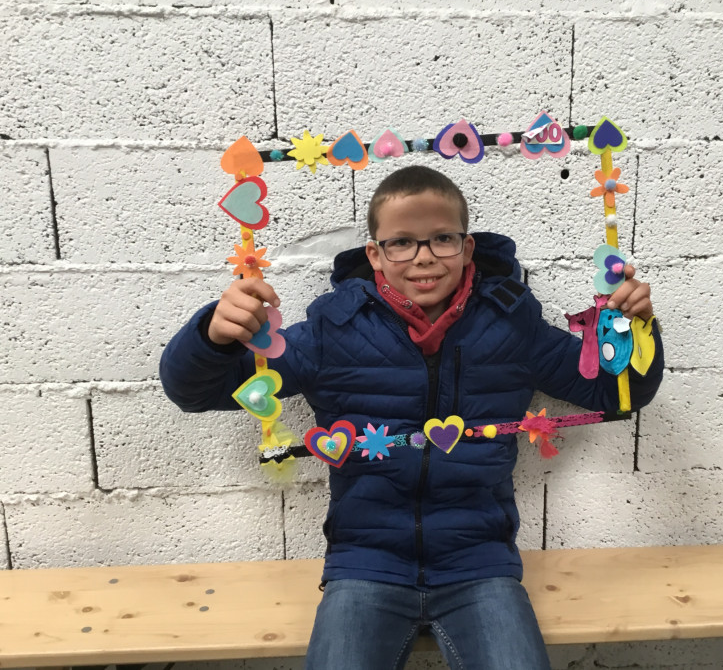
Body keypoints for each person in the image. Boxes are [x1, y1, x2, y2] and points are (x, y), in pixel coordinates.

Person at [160, 165, 663, 669]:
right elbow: (194, 392)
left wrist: (636, 330)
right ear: (375, 255)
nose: (424, 256)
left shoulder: (512, 326)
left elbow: (616, 394)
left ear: (467, 247)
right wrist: (213, 336)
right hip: (365, 565)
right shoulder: (332, 332)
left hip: (480, 565)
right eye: (401, 242)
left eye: (442, 238)